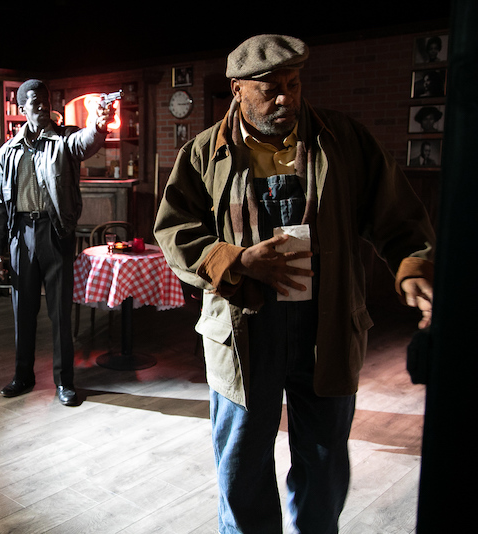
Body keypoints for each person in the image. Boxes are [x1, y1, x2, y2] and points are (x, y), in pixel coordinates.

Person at [154, 34, 435, 533]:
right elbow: (174, 232)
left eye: (293, 84)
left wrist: (411, 266)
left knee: (323, 465)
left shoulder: (344, 140)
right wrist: (236, 260)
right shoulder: (203, 153)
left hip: (324, 327)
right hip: (244, 331)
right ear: (237, 89)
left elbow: (398, 217)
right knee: (241, 467)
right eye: (269, 88)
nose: (285, 98)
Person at [0, 79, 115, 406]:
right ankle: (23, 376)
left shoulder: (65, 139)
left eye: (46, 101)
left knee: (59, 312)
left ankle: (64, 382)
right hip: (20, 236)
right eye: (35, 102)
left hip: (55, 232)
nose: (42, 106)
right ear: (21, 109)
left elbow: (86, 142)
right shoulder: (8, 151)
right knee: (23, 311)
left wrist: (99, 124)